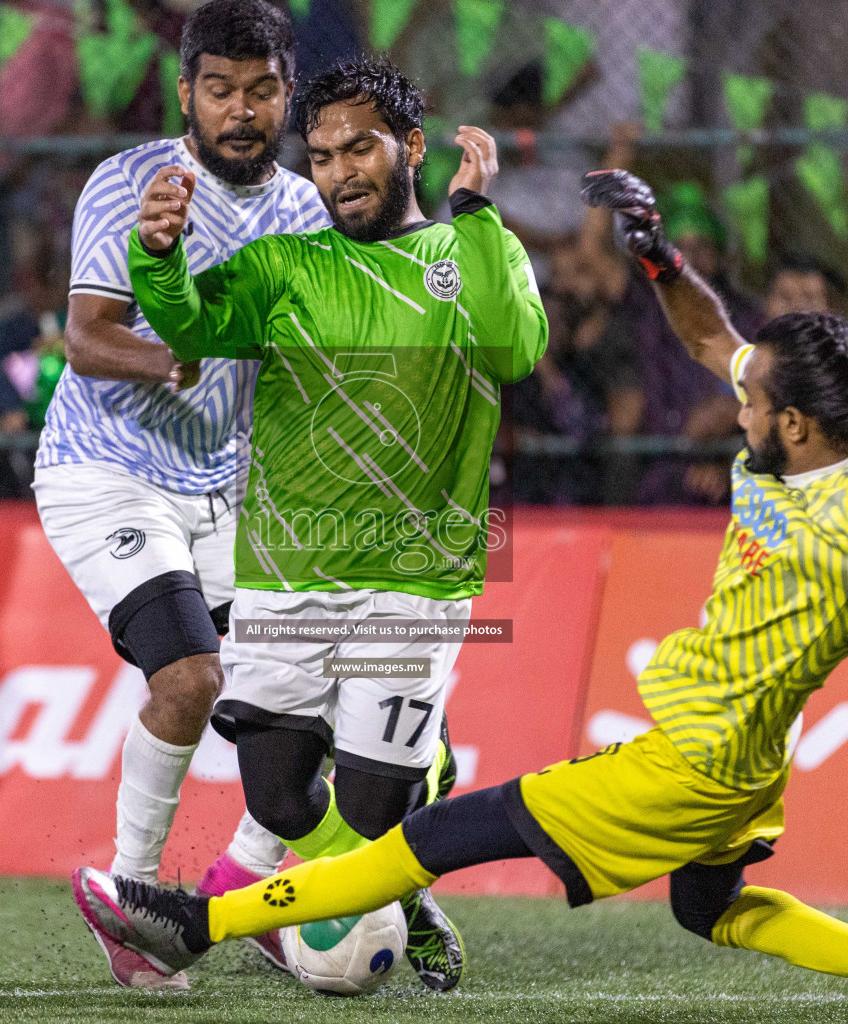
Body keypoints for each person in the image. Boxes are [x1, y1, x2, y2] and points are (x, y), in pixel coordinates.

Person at [95, 170, 848, 1024]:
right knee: (710, 911)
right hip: (745, 769)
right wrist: (658, 257)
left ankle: (192, 922)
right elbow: (709, 339)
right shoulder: (797, 440)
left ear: (799, 425)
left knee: (425, 842)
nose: (737, 395)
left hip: (685, 768)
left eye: (755, 399)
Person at [79, 53, 548, 994]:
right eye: (323, 153)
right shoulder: (288, 264)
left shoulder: (470, 253)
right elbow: (195, 326)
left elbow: (517, 345)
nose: (338, 170)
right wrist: (159, 258)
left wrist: (480, 214)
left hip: (418, 581)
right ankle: (399, 896)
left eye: (360, 148)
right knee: (282, 800)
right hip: (289, 575)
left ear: (410, 148)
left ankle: (389, 859)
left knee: (374, 810)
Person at [36, 0, 333, 990]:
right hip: (105, 473)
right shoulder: (130, 185)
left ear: (287, 94)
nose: (239, 111)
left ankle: (235, 892)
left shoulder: (304, 208)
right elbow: (85, 338)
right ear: (185, 94)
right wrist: (178, 356)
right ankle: (131, 904)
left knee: (305, 703)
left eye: (259, 91)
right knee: (190, 679)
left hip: (225, 487)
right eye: (219, 90)